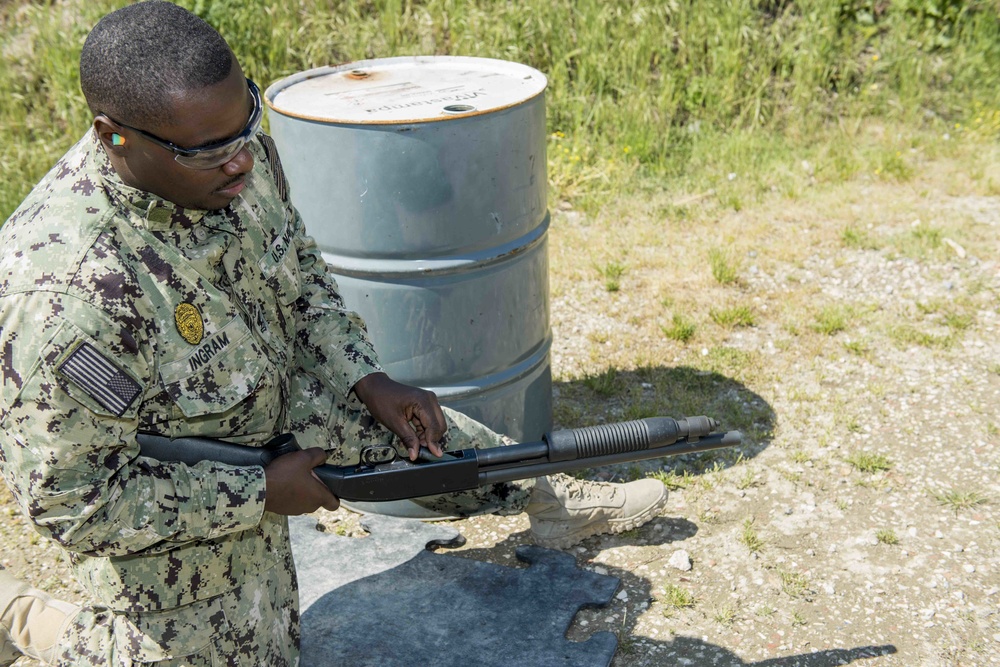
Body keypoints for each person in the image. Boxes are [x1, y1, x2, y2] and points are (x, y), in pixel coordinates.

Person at [0, 1, 667, 664]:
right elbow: (76, 502)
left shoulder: (231, 152)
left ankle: (548, 496)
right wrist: (259, 493)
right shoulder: (62, 295)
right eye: (212, 152)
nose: (243, 163)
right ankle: (23, 616)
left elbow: (301, 272)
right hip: (184, 479)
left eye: (247, 126)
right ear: (116, 136)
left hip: (267, 393)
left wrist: (362, 376)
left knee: (424, 440)